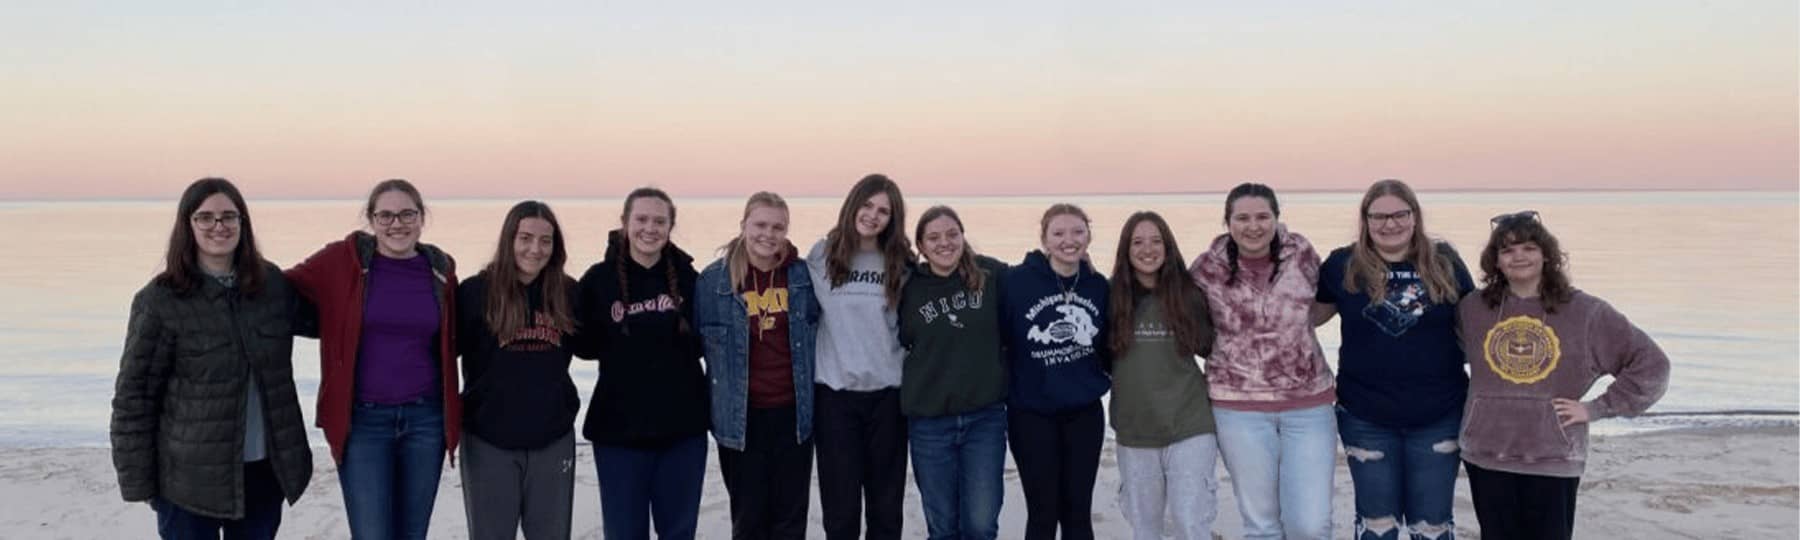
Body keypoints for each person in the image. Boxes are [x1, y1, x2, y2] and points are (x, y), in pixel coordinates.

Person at [111, 177, 314, 540]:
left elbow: (332, 318)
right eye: (205, 218)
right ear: (188, 226)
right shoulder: (160, 300)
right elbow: (134, 398)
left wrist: (366, 255)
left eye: (228, 217)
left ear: (243, 223)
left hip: (265, 474)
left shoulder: (271, 286)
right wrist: (139, 483)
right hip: (187, 483)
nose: (218, 226)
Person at [1458, 211, 1669, 540]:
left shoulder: (1585, 312)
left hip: (1552, 455)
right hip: (1487, 453)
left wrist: (1596, 408)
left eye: (1529, 248)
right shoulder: (1473, 309)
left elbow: (1652, 364)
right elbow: (1435, 356)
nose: (1519, 257)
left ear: (1546, 255)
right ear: (1495, 261)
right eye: (1508, 250)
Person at [287, 178, 461, 540]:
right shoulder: (341, 259)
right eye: (385, 215)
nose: (396, 224)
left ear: (421, 217)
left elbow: (452, 338)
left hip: (425, 420)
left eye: (406, 214)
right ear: (371, 219)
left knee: (412, 534)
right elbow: (280, 288)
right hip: (364, 423)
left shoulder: (440, 269)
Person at [1312, 179, 1475, 540]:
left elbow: (1477, 326)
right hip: (1365, 416)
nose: (1390, 224)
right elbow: (1303, 318)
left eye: (1400, 214)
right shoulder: (1343, 264)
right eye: (1379, 216)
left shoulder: (1445, 262)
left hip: (1440, 414)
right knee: (1376, 525)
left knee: (1432, 526)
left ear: (1414, 217)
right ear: (1365, 220)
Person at [1189, 182, 1336, 540]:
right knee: (1262, 525)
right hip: (1237, 408)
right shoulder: (1207, 268)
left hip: (1309, 404)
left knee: (1311, 524)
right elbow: (1188, 323)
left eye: (1261, 216)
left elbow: (1327, 303)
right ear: (1228, 222)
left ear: (1276, 218)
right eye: (1242, 218)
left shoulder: (1301, 254)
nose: (1252, 226)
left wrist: (1291, 332)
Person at [576, 188, 709, 540]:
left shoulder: (692, 280)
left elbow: (710, 342)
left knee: (679, 532)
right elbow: (581, 345)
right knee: (623, 533)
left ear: (670, 227)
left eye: (659, 221)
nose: (650, 228)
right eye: (641, 219)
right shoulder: (597, 281)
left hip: (683, 433)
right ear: (624, 223)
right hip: (618, 435)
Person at [696, 191, 821, 540]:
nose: (769, 234)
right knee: (749, 519)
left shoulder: (803, 277)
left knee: (790, 519)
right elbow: (692, 348)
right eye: (761, 224)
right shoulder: (713, 282)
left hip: (794, 416)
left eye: (778, 227)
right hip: (740, 420)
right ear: (744, 225)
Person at [456, 201, 580, 540]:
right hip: (488, 441)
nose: (535, 249)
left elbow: (600, 344)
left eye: (545, 240)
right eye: (525, 238)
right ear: (509, 239)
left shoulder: (567, 293)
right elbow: (437, 354)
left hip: (552, 439)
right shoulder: (474, 292)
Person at [804, 174, 911, 540]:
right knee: (840, 512)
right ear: (853, 204)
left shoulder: (900, 262)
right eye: (867, 205)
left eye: (884, 210)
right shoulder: (821, 254)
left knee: (885, 510)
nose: (873, 215)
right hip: (835, 398)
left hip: (888, 398)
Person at [1000, 203, 1111, 540]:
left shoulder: (1097, 285)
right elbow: (999, 338)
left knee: (1078, 513)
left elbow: (1107, 344)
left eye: (1078, 232)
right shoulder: (1015, 282)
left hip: (1084, 414)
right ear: (1044, 240)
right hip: (1031, 414)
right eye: (1059, 233)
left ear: (1089, 236)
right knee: (1043, 513)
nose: (1069, 240)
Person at [898, 205, 1010, 540]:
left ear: (963, 236)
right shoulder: (907, 285)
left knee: (980, 524)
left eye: (952, 234)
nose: (944, 243)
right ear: (920, 245)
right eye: (933, 237)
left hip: (984, 420)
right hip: (929, 423)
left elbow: (1038, 280)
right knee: (943, 526)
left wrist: (1083, 265)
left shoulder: (992, 275)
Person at [1106, 211, 1219, 540]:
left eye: (1156, 241)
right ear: (1126, 250)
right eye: (1137, 242)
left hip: (1190, 424)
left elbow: (1212, 347)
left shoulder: (1189, 293)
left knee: (1190, 522)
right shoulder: (1110, 296)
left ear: (1168, 248)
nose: (1147, 249)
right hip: (1134, 429)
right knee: (1145, 528)